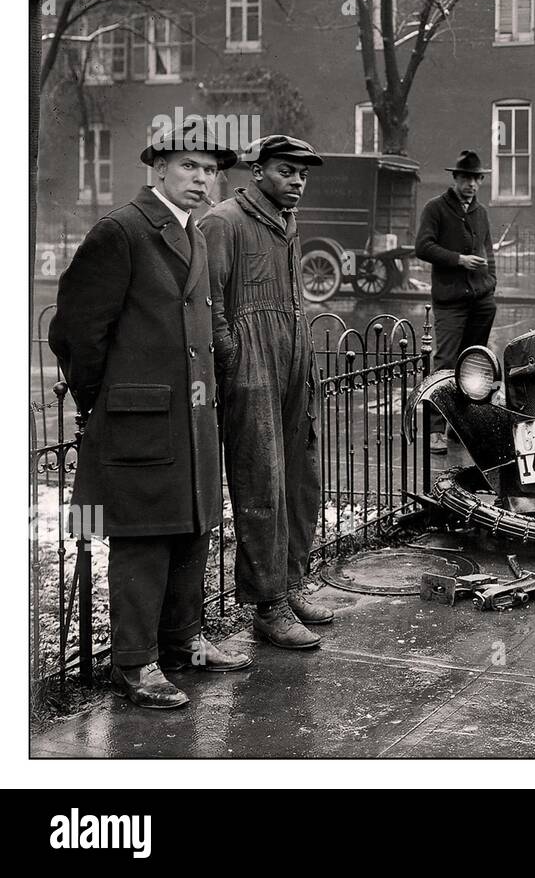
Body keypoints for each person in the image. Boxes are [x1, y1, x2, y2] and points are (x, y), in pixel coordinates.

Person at [49, 121, 251, 709]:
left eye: (211, 170)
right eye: (190, 166)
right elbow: (76, 332)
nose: (203, 178)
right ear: (157, 168)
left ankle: (184, 641)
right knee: (140, 537)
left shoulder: (197, 233)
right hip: (138, 418)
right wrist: (103, 400)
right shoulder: (123, 231)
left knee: (190, 525)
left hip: (189, 417)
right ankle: (134, 665)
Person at [200, 134, 329, 650]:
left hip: (293, 362)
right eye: (285, 170)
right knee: (261, 485)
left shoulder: (286, 222)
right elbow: (209, 305)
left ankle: (292, 582)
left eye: (303, 173)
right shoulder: (224, 222)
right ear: (256, 172)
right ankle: (267, 604)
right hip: (252, 370)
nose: (297, 181)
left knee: (302, 480)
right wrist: (232, 359)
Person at [415, 151, 498, 454]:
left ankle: (461, 428)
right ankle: (436, 429)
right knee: (446, 362)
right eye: (465, 178)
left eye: (476, 179)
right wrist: (458, 260)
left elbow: (488, 252)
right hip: (450, 301)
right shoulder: (436, 208)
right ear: (455, 179)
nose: (471, 184)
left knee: (475, 363)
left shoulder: (481, 212)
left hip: (481, 300)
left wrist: (491, 284)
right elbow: (422, 246)